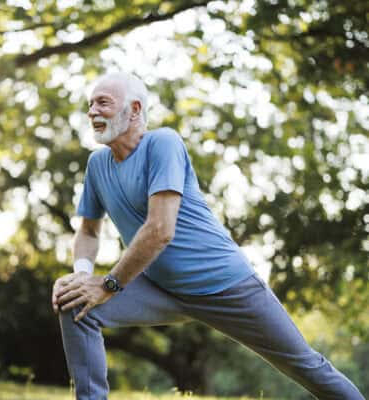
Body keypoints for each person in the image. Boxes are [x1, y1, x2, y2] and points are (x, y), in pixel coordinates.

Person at [52, 72, 364, 400]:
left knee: (306, 365)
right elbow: (88, 230)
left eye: (103, 102)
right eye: (90, 104)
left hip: (226, 286)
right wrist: (82, 280)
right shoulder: (97, 164)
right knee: (76, 305)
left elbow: (160, 231)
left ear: (134, 109)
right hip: (162, 289)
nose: (92, 112)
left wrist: (108, 285)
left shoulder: (163, 143)